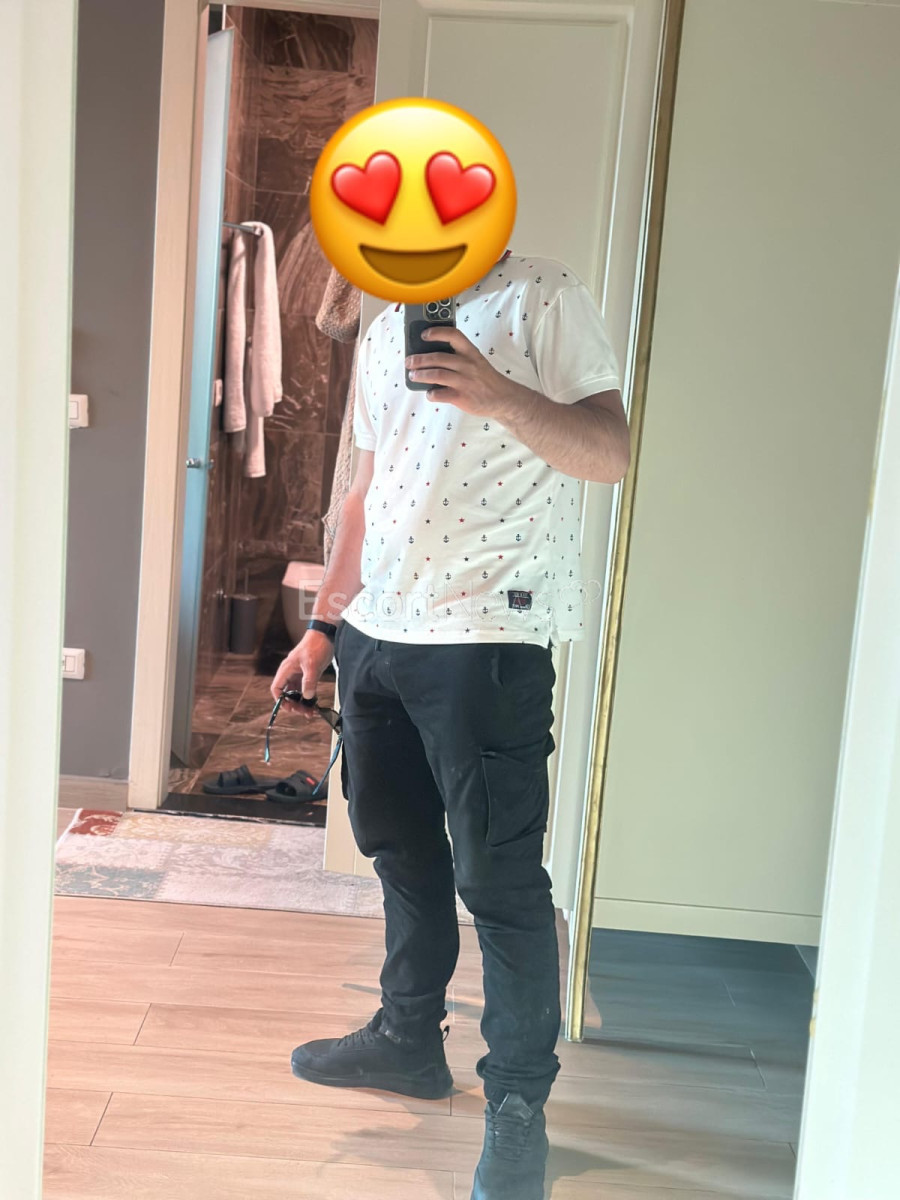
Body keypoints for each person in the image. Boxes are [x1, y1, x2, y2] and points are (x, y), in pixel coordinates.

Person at [272, 250, 630, 1200]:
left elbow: (610, 452)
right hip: (376, 636)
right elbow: (366, 489)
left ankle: (516, 1110)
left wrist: (501, 395)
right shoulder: (384, 318)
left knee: (499, 882)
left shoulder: (544, 296)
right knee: (400, 851)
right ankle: (406, 1038)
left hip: (487, 635)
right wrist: (325, 627)